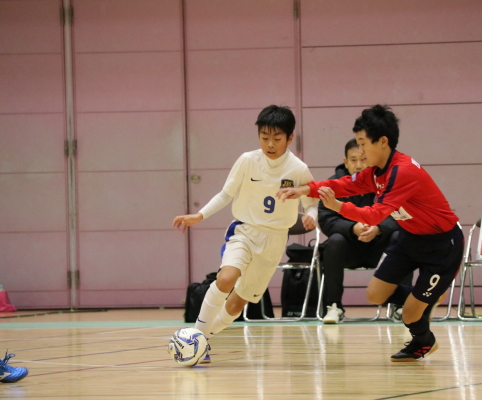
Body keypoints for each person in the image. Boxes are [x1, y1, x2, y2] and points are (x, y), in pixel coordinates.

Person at [277, 104, 463, 362]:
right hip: (411, 239)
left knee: (410, 314)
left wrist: (338, 207)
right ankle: (424, 297)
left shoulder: (402, 171)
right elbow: (343, 184)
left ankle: (423, 339)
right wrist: (305, 189)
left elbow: (375, 215)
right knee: (375, 294)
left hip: (442, 246)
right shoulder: (377, 171)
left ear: (383, 142)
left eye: (363, 143)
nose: (361, 151)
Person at [173, 105, 318, 363]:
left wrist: (311, 216)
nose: (270, 144)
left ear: (289, 138)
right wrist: (200, 215)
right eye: (264, 137)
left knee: (237, 305)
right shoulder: (247, 161)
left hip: (274, 240)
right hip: (244, 231)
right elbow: (226, 194)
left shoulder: (298, 168)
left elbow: (311, 201)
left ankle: (203, 339)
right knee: (226, 278)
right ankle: (196, 338)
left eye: (277, 138)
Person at [319, 138, 407, 324]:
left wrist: (379, 228)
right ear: (345, 162)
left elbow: (398, 215)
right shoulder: (333, 185)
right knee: (334, 241)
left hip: (380, 250)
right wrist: (352, 228)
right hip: (349, 249)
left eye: (363, 159)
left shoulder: (385, 181)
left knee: (402, 238)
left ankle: (401, 306)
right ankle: (334, 306)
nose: (359, 165)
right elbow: (326, 219)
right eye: (353, 160)